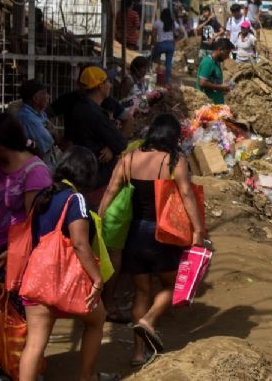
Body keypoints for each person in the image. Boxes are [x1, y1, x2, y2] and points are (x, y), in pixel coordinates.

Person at [99, 114, 205, 366]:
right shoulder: (173, 161)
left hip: (134, 234)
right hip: (162, 234)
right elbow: (187, 194)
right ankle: (150, 319)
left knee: (141, 291)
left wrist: (97, 221)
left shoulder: (128, 159)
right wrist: (198, 230)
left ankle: (138, 353)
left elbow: (110, 192)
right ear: (172, 137)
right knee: (172, 285)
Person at [18, 147, 119, 381]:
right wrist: (97, 279)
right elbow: (80, 244)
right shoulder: (76, 200)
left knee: (34, 345)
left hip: (37, 281)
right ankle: (86, 377)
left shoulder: (44, 195)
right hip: (67, 282)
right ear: (87, 174)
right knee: (96, 320)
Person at [0, 113, 52, 265]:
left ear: (0, 144)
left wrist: (15, 252)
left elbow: (34, 222)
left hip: (15, 256)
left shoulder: (35, 172)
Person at [63, 67, 127, 206]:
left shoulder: (78, 108)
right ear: (100, 86)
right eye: (107, 82)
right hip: (97, 175)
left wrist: (110, 147)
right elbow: (121, 144)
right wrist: (112, 146)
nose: (110, 85)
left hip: (81, 171)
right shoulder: (95, 114)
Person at [15, 80, 60, 169]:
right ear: (35, 98)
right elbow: (47, 143)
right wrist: (53, 133)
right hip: (38, 167)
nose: (49, 97)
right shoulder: (28, 118)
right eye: (45, 93)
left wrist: (53, 132)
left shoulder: (39, 114)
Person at [197, 38, 234, 105]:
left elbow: (214, 81)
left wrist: (225, 85)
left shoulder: (216, 63)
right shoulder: (208, 62)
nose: (227, 57)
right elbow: (203, 83)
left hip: (216, 104)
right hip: (208, 105)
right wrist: (222, 87)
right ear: (220, 49)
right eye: (227, 53)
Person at [150, 8, 176, 84]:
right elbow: (175, 34)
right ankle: (166, 81)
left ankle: (154, 76)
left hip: (161, 44)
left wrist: (154, 44)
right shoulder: (172, 23)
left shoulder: (157, 22)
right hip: (170, 45)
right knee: (168, 64)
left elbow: (153, 35)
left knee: (152, 58)